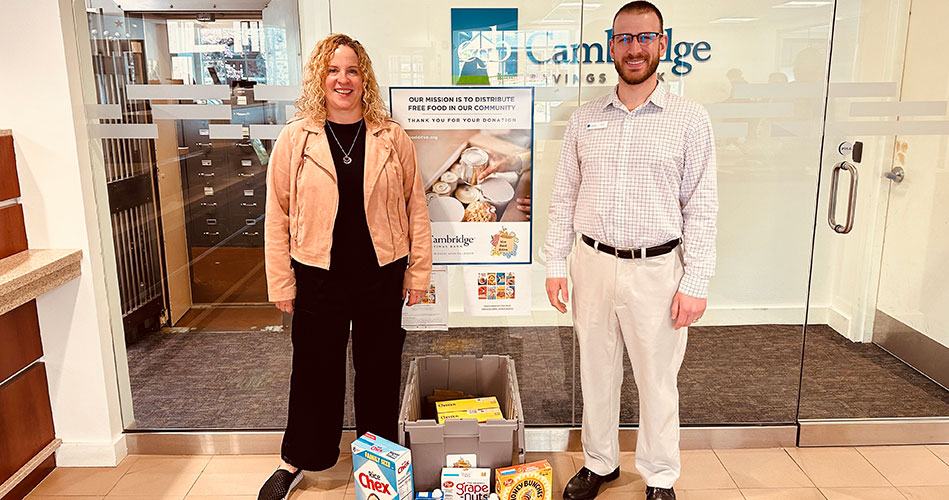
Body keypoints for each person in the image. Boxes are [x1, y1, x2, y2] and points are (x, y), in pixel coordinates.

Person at [543, 2, 717, 500]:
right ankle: (600, 462)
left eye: (644, 38)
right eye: (624, 38)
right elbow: (564, 195)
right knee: (596, 373)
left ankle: (659, 475)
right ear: (611, 46)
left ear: (662, 43)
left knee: (657, 379)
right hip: (592, 263)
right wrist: (555, 263)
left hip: (657, 269)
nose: (634, 48)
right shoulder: (585, 118)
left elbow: (702, 205)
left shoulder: (689, 119)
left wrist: (696, 281)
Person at [260, 34, 432, 500]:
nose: (343, 79)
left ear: (364, 78)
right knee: (314, 371)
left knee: (379, 371)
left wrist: (418, 273)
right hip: (317, 274)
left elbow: (416, 208)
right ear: (320, 77)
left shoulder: (391, 136)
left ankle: (378, 465)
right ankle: (298, 460)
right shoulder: (297, 137)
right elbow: (277, 214)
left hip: (381, 273)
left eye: (352, 70)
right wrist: (281, 280)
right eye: (333, 70)